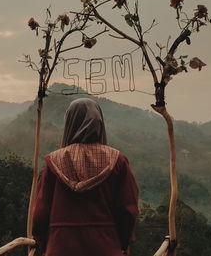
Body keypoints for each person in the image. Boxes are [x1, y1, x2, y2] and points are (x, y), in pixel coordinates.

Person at [32, 98, 139, 256]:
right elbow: (127, 211)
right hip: (106, 247)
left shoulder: (53, 162)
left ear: (69, 123)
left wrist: (45, 245)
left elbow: (40, 214)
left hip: (60, 247)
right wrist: (122, 244)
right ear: (100, 123)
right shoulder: (117, 161)